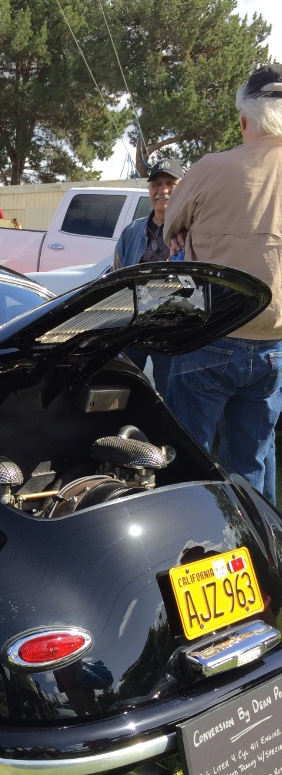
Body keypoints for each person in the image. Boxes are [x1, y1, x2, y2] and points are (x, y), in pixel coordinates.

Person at [164, 62, 282, 504]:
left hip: (210, 338)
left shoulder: (213, 166)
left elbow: (168, 227)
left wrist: (184, 232)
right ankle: (255, 556)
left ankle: (184, 552)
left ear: (244, 119)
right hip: (274, 346)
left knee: (185, 458)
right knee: (251, 464)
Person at [113, 157, 185, 399]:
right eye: (156, 184)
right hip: (133, 327)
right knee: (121, 390)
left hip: (172, 334)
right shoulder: (133, 231)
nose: (162, 191)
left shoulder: (193, 233)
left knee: (171, 400)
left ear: (183, 187)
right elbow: (116, 276)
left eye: (170, 183)